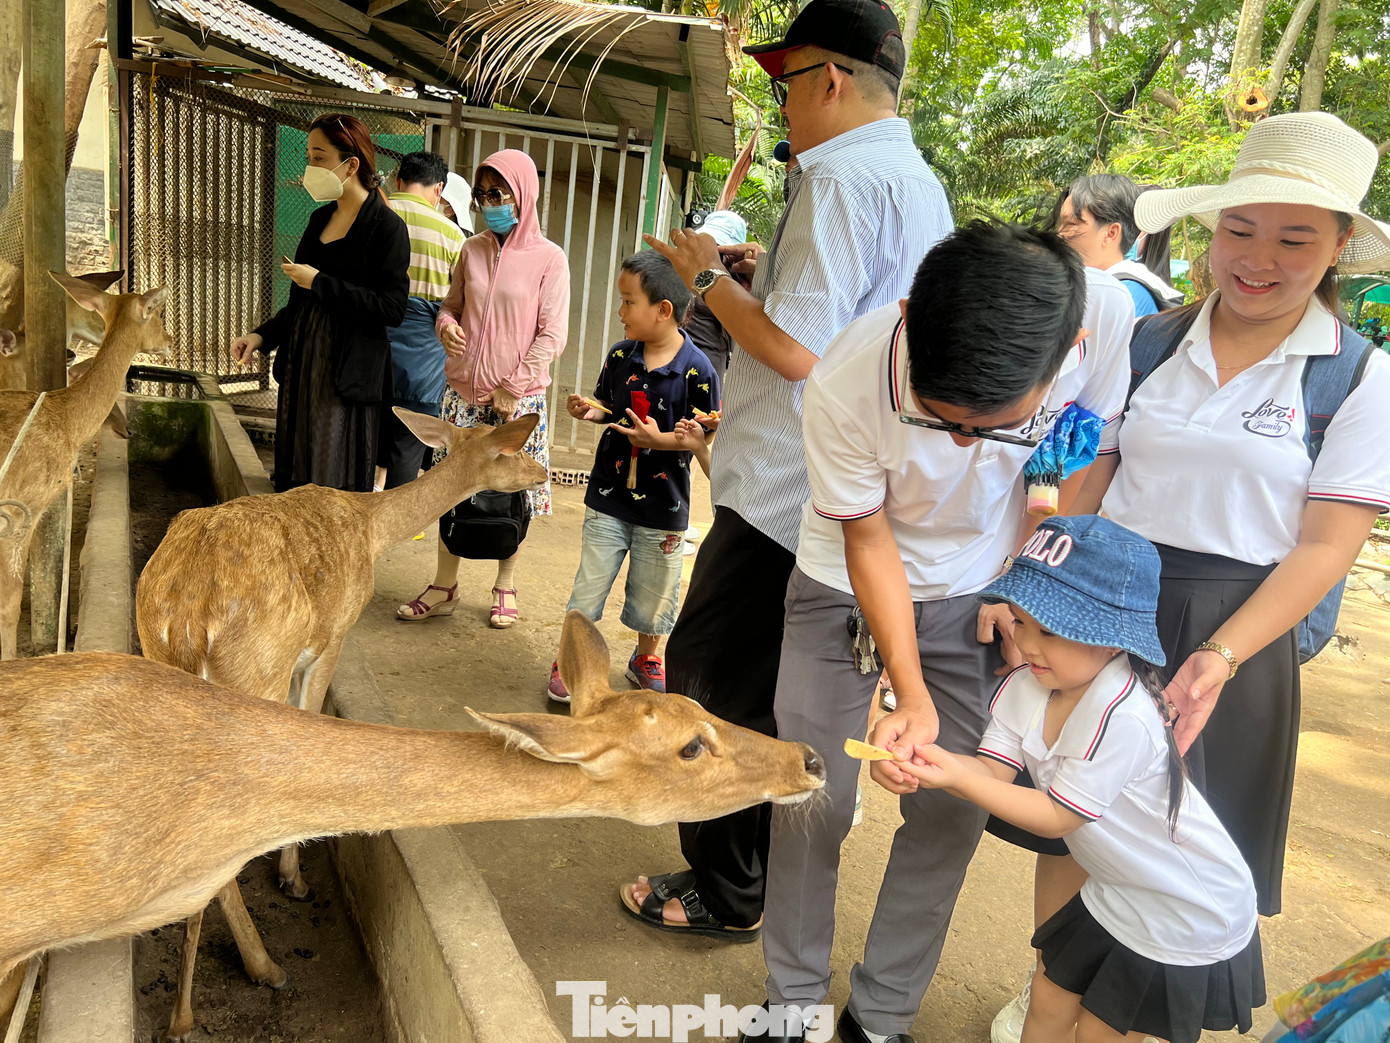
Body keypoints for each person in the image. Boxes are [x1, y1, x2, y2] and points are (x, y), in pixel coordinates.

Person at [993, 110, 1390, 1041]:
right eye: (1239, 231)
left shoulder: (1358, 379)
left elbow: (1328, 545)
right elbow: (1095, 472)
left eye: (1295, 238)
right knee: (1076, 812)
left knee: (1177, 835)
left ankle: (1122, 1014)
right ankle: (1051, 979)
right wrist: (1041, 590)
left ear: (1338, 246)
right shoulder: (1155, 340)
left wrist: (1219, 654)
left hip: (1235, 628)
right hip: (1105, 604)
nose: (1258, 258)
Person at [623, 0, 954, 945]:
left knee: (711, 681)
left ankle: (726, 887)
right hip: (834, 486)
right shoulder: (912, 179)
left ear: (832, 79)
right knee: (771, 684)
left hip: (782, 490)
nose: (785, 106)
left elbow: (799, 349)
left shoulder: (840, 179)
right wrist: (757, 274)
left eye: (786, 83)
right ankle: (750, 873)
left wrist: (704, 278)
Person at [755, 222, 1133, 1043]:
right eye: (942, 418)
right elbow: (869, 539)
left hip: (979, 592)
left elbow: (1081, 464)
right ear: (910, 320)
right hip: (843, 576)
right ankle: (791, 1005)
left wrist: (1022, 584)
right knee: (811, 791)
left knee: (949, 808)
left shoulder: (1101, 331)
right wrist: (910, 689)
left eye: (988, 423)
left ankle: (881, 1017)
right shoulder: (848, 378)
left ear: (1067, 349)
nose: (965, 442)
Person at [896, 514, 1264, 1043]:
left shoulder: (1126, 715)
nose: (1027, 645)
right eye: (1021, 623)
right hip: (1116, 888)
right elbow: (991, 771)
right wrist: (930, 762)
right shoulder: (1027, 684)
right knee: (1044, 1007)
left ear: (1113, 639)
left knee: (1099, 1034)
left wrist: (954, 773)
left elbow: (1055, 819)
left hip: (1182, 908)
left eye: (1050, 631)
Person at [395, 149, 570, 628]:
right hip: (462, 400)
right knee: (449, 491)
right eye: (482, 195)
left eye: (500, 194)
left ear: (524, 195)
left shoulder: (549, 260)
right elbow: (450, 306)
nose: (490, 203)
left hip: (519, 402)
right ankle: (443, 584)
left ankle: (504, 585)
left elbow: (552, 335)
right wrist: (446, 327)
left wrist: (512, 387)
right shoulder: (470, 249)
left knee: (513, 494)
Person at [546, 251, 719, 701]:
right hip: (608, 495)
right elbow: (609, 406)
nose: (620, 312)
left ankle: (646, 656)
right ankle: (571, 658)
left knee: (655, 593)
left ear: (663, 311)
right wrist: (591, 411)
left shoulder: (699, 371)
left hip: (665, 506)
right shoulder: (621, 355)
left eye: (628, 302)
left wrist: (660, 441)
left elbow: (701, 437)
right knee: (590, 583)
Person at [231, 113, 409, 493]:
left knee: (334, 481)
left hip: (345, 375)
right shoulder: (318, 219)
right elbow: (300, 302)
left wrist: (321, 282)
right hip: (302, 368)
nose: (310, 167)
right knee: (294, 475)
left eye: (318, 157)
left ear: (352, 164)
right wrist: (260, 336)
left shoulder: (387, 227)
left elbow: (391, 309)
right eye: (309, 157)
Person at [376, 150, 467, 490]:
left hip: (371, 351)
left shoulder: (375, 215)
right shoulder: (453, 236)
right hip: (423, 362)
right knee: (407, 442)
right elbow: (459, 303)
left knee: (362, 436)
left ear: (398, 180)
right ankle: (396, 528)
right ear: (438, 189)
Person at [1053, 173, 1183, 316]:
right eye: (1061, 224)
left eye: (1071, 224)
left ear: (1111, 233)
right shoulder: (1098, 286)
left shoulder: (1123, 296)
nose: (1060, 234)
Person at [681, 209, 748, 371]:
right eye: (710, 245)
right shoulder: (683, 265)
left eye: (720, 249)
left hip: (707, 366)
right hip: (674, 357)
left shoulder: (737, 279)